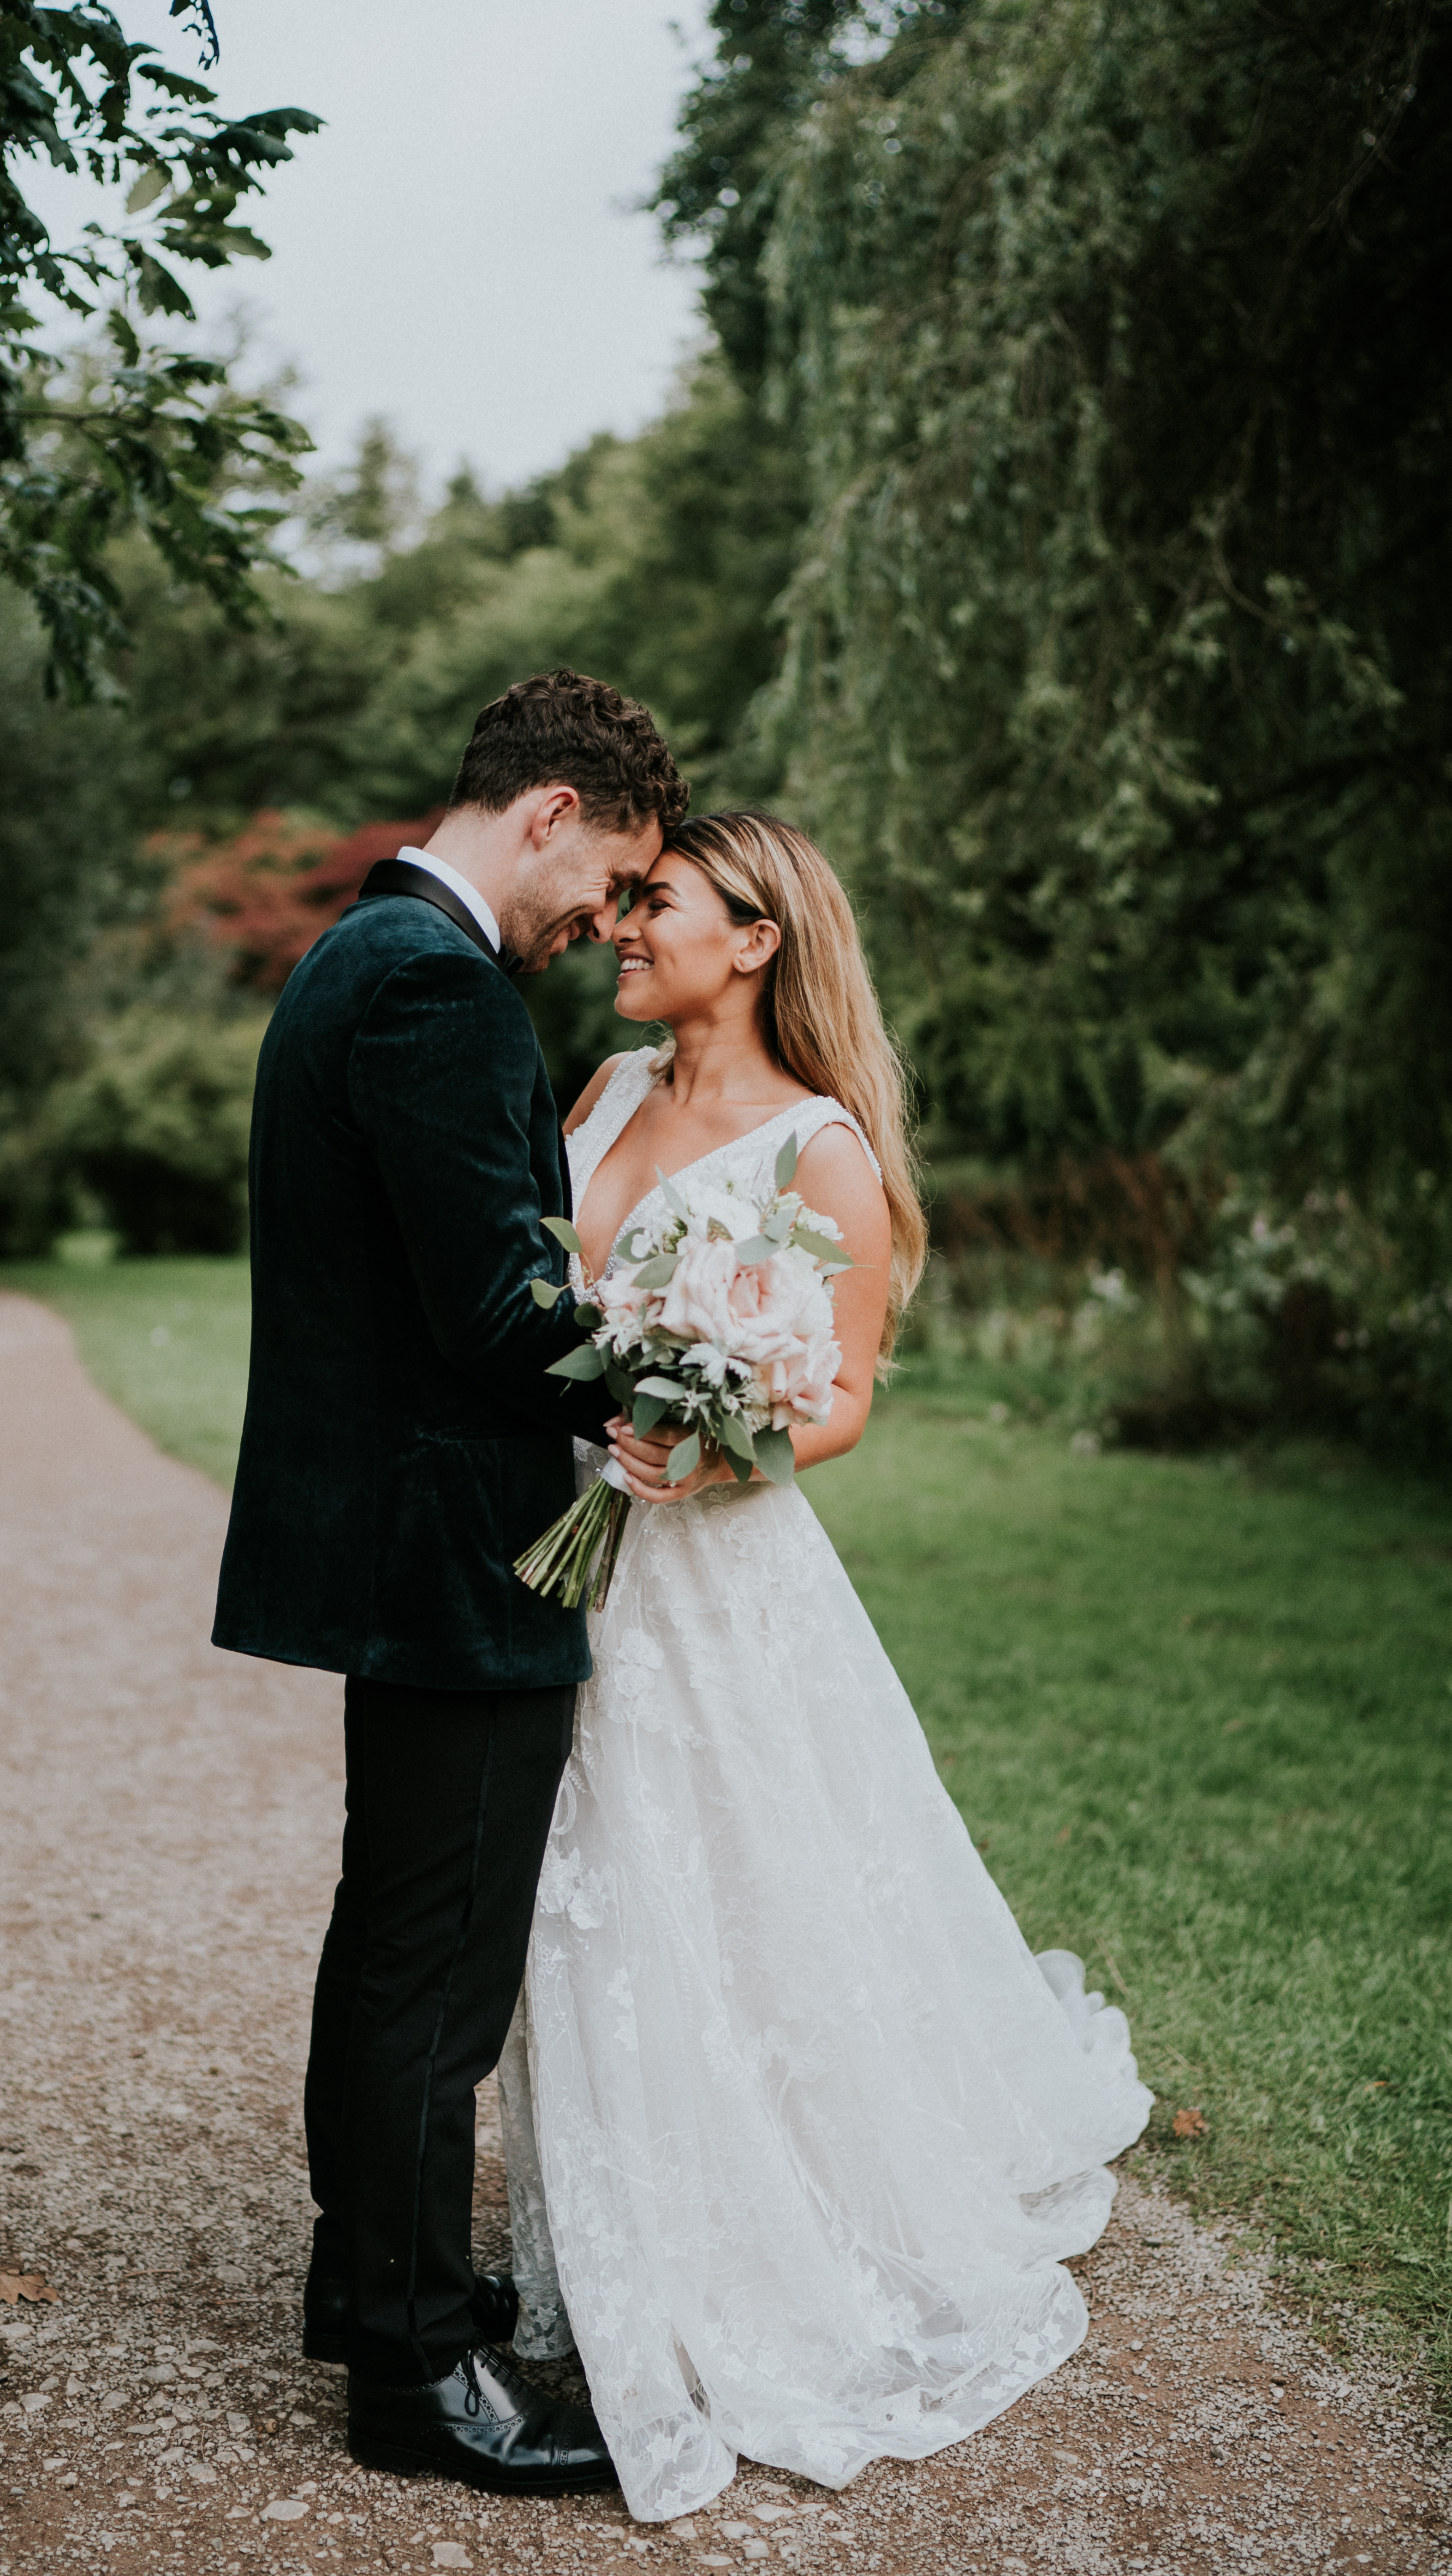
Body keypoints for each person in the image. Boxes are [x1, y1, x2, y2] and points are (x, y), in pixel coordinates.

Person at [497, 811, 1154, 2522]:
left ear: (758, 935)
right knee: (582, 1894)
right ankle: (608, 2212)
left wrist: (720, 1447)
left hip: (710, 1568)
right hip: (564, 1541)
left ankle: (757, 2238)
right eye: (628, 902)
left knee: (716, 1887)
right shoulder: (607, 1094)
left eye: (658, 906)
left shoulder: (821, 1152)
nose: (624, 928)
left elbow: (844, 1392)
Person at [212, 669, 688, 2496]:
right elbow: (497, 1310)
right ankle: (418, 2375)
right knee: (436, 1967)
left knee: (394, 1934)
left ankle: (373, 2278)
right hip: (450, 1550)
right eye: (614, 874)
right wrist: (685, 1369)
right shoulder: (436, 983)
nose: (604, 920)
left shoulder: (365, 953)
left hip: (400, 1536)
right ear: (552, 809)